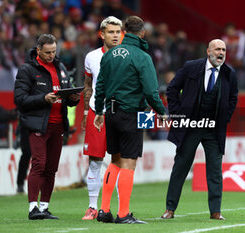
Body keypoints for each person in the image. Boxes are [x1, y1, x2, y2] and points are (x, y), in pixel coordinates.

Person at [94, 15, 166, 224]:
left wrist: (99, 111)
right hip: (132, 113)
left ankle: (104, 210)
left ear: (124, 32)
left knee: (115, 160)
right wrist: (162, 112)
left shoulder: (108, 55)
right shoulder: (142, 56)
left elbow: (100, 87)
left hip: (111, 113)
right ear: (142, 33)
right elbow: (152, 92)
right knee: (129, 162)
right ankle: (123, 214)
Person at [161, 39, 238, 220]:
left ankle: (215, 211)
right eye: (217, 49)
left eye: (223, 50)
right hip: (191, 126)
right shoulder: (191, 67)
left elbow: (233, 99)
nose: (221, 53)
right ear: (208, 51)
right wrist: (178, 114)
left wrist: (224, 119)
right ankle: (170, 209)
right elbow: (172, 89)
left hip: (213, 129)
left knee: (215, 170)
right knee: (180, 166)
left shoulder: (229, 73)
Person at [14, 34, 80, 220]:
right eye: (48, 52)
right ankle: (32, 207)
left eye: (54, 51)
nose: (51, 55)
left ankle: (44, 207)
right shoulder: (27, 70)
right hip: (37, 124)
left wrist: (73, 99)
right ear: (38, 50)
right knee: (39, 164)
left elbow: (66, 95)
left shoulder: (60, 68)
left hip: (58, 125)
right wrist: (43, 99)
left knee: (51, 167)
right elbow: (19, 99)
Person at [81, 16, 122, 221]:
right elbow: (88, 84)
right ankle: (92, 206)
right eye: (111, 32)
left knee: (119, 161)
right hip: (97, 113)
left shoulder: (129, 55)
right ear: (102, 34)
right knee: (95, 161)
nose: (115, 36)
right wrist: (87, 113)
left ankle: (118, 207)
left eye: (118, 32)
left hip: (121, 113)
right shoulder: (91, 57)